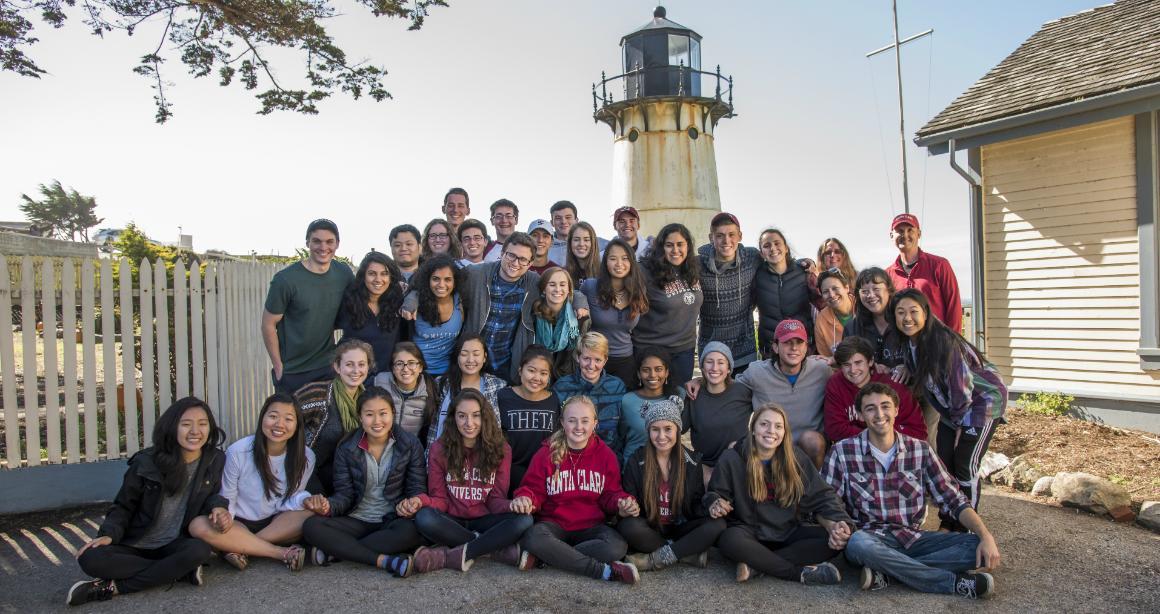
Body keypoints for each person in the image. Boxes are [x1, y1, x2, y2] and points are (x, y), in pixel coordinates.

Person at [823, 382, 1001, 599]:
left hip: (914, 539)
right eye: (870, 408)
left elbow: (954, 499)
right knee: (857, 544)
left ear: (896, 410)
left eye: (885, 406)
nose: (880, 414)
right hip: (869, 539)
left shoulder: (921, 450)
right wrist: (834, 526)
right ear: (860, 415)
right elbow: (826, 502)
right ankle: (953, 583)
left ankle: (889, 572)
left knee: (975, 545)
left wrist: (985, 535)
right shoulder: (842, 452)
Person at [68, 398, 226, 606]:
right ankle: (176, 571)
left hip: (174, 542)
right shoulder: (146, 462)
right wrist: (108, 534)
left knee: (199, 550)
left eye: (203, 424)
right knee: (90, 558)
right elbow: (123, 506)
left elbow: (211, 494)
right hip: (136, 543)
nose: (195, 431)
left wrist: (218, 505)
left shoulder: (214, 459)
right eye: (186, 424)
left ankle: (112, 588)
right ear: (172, 427)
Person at [892, 289, 1007, 530]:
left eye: (913, 311)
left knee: (965, 466)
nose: (907, 318)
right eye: (900, 312)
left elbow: (961, 387)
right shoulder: (910, 342)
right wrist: (906, 367)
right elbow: (928, 375)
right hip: (951, 410)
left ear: (925, 312)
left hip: (979, 406)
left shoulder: (942, 341)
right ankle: (950, 520)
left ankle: (967, 527)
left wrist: (959, 424)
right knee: (945, 466)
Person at [706, 403, 854, 585]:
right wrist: (716, 502)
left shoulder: (795, 458)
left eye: (778, 426)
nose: (771, 431)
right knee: (729, 540)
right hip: (748, 532)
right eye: (764, 424)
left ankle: (756, 564)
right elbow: (715, 493)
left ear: (784, 433)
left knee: (831, 541)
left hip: (787, 532)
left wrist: (839, 523)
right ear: (752, 429)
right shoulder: (732, 457)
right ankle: (796, 573)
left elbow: (823, 495)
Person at [300, 387, 428, 575]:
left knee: (413, 532)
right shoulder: (346, 447)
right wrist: (328, 506)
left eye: (383, 413)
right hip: (357, 519)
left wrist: (412, 503)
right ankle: (383, 560)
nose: (377, 421)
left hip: (392, 519)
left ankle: (338, 551)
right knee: (311, 526)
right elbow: (344, 495)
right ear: (360, 417)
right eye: (369, 414)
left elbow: (416, 487)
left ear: (392, 414)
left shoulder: (409, 444)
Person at [512, 396, 640, 584]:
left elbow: (610, 494)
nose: (578, 426)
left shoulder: (605, 455)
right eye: (572, 420)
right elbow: (532, 489)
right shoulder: (546, 453)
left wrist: (622, 504)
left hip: (591, 527)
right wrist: (525, 498)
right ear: (563, 423)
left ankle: (544, 558)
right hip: (554, 526)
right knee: (534, 537)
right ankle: (603, 571)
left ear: (595, 423)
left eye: (585, 421)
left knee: (617, 546)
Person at [410, 390, 535, 571]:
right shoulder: (440, 448)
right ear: (454, 418)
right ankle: (492, 549)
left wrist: (513, 505)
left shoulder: (501, 450)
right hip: (451, 520)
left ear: (485, 417)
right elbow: (441, 500)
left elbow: (495, 501)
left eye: (476, 416)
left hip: (486, 518)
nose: (469, 423)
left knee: (525, 519)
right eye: (462, 416)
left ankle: (448, 555)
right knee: (425, 517)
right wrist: (421, 500)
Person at [189, 394, 315, 572]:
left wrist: (305, 501)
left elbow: (292, 499)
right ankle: (279, 552)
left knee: (310, 514)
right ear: (262, 417)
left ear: (297, 425)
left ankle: (241, 547)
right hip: (238, 522)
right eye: (273, 416)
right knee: (198, 526)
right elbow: (228, 496)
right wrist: (225, 517)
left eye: (288, 419)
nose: (279, 424)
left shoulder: (307, 456)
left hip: (275, 523)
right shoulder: (238, 451)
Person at [688, 320, 830, 468]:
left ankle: (813, 487)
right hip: (771, 446)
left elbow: (849, 373)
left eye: (799, 342)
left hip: (806, 449)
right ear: (775, 346)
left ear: (806, 346)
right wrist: (701, 380)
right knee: (735, 447)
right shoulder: (757, 373)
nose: (794, 348)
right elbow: (725, 382)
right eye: (787, 342)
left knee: (813, 440)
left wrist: (834, 359)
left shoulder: (821, 370)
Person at [618, 398, 725, 572]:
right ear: (648, 431)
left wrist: (711, 505)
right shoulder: (636, 460)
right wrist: (627, 507)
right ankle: (686, 553)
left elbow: (696, 503)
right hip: (651, 527)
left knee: (718, 524)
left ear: (677, 430)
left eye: (668, 429)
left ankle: (655, 559)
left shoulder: (692, 461)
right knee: (628, 527)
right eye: (655, 429)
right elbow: (630, 499)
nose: (661, 436)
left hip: (681, 526)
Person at [263, 218, 354, 393]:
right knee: (291, 420)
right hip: (292, 369)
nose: (323, 247)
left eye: (329, 242)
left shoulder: (343, 273)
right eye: (317, 241)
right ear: (307, 242)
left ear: (337, 244)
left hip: (327, 366)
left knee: (327, 420)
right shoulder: (286, 280)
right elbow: (268, 324)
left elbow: (357, 305)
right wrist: (278, 366)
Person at [296, 339, 372, 495]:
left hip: (339, 471)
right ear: (337, 367)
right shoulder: (317, 393)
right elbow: (286, 420)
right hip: (304, 469)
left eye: (361, 364)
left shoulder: (368, 401)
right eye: (349, 364)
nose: (356, 370)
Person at [633, 223, 703, 387]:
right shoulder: (644, 270)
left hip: (684, 351)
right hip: (651, 350)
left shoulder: (693, 269)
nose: (675, 250)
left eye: (680, 245)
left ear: (688, 246)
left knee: (678, 401)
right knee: (650, 404)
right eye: (669, 245)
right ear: (660, 247)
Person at [823, 336, 926, 443]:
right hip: (856, 449)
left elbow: (918, 430)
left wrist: (881, 439)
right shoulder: (835, 384)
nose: (853, 370)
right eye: (846, 365)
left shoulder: (893, 386)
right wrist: (875, 437)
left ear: (870, 361)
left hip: (895, 448)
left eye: (858, 363)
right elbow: (834, 429)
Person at [681, 342, 753, 486]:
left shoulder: (743, 391)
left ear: (728, 368)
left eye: (721, 363)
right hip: (704, 464)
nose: (714, 368)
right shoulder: (694, 394)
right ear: (702, 367)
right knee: (709, 482)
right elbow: (677, 429)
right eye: (709, 362)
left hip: (738, 460)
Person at [698, 212, 760, 374]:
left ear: (740, 236)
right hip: (712, 351)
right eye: (720, 235)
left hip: (745, 350)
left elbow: (777, 262)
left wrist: (803, 263)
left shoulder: (752, 257)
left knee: (743, 398)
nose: (726, 241)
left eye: (731, 234)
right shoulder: (697, 265)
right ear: (711, 237)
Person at [580, 238, 648, 386]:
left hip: (626, 361)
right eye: (613, 258)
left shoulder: (638, 290)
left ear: (631, 262)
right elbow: (575, 299)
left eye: (625, 259)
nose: (619, 264)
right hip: (594, 361)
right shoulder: (591, 287)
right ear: (605, 262)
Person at [496, 345, 560, 494]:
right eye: (531, 370)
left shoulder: (554, 400)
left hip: (543, 473)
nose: (536, 378)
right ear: (520, 370)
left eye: (543, 373)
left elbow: (557, 439)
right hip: (509, 471)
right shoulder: (503, 396)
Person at [553, 332, 628, 456]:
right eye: (586, 358)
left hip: (608, 457)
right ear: (578, 357)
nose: (591, 365)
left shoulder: (617, 387)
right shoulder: (561, 387)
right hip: (570, 457)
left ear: (605, 360)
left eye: (598, 360)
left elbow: (623, 430)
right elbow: (556, 428)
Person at [886, 213, 963, 334]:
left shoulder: (940, 265)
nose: (905, 235)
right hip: (904, 345)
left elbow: (954, 306)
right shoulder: (888, 275)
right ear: (891, 236)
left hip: (937, 341)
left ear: (919, 234)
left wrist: (952, 343)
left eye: (910, 230)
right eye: (899, 231)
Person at [429, 335, 508, 448]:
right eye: (464, 354)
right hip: (445, 453)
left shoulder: (497, 386)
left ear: (484, 357)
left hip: (484, 454)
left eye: (476, 354)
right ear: (457, 356)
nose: (470, 360)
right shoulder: (442, 384)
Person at [514, 266, 590, 379]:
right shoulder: (532, 314)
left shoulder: (579, 316)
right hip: (536, 374)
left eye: (563, 285)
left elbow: (581, 351)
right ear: (544, 289)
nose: (558, 289)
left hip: (568, 375)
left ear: (569, 289)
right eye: (552, 284)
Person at [337, 251, 405, 376]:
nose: (378, 279)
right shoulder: (349, 302)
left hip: (387, 379)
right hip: (355, 379)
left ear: (391, 278)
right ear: (363, 276)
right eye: (372, 274)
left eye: (384, 274)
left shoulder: (397, 302)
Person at [753, 228, 814, 359]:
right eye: (766, 246)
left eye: (777, 243)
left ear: (786, 248)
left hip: (800, 346)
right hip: (771, 349)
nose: (773, 248)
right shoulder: (757, 276)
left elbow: (820, 302)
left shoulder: (803, 273)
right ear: (762, 254)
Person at [618, 347, 680, 466]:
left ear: (667, 372)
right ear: (638, 374)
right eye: (646, 370)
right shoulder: (626, 400)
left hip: (669, 468)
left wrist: (696, 381)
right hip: (633, 468)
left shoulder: (678, 396)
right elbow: (620, 436)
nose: (652, 375)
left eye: (658, 369)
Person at [408, 255, 464, 377]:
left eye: (448, 279)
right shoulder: (416, 301)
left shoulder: (459, 300)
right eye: (436, 279)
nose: (441, 284)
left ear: (455, 282)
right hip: (417, 373)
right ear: (427, 280)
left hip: (449, 373)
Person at [372, 343, 438, 441]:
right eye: (399, 363)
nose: (405, 369)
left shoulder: (430, 391)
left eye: (411, 363)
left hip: (409, 449)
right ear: (393, 368)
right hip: (379, 444)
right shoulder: (379, 382)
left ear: (420, 367)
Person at [843, 267, 906, 370]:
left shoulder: (906, 320)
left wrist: (908, 367)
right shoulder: (852, 327)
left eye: (876, 289)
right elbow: (847, 362)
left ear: (889, 290)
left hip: (905, 384)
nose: (871, 295)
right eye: (864, 291)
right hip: (869, 384)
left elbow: (924, 352)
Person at [814, 267, 856, 362]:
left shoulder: (863, 307)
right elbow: (825, 358)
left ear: (846, 288)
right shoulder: (821, 320)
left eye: (835, 288)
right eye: (825, 292)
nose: (832, 295)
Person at [546, 200, 578, 266]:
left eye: (568, 217)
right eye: (558, 218)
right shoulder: (544, 247)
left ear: (576, 220)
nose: (563, 221)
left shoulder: (594, 243)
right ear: (552, 223)